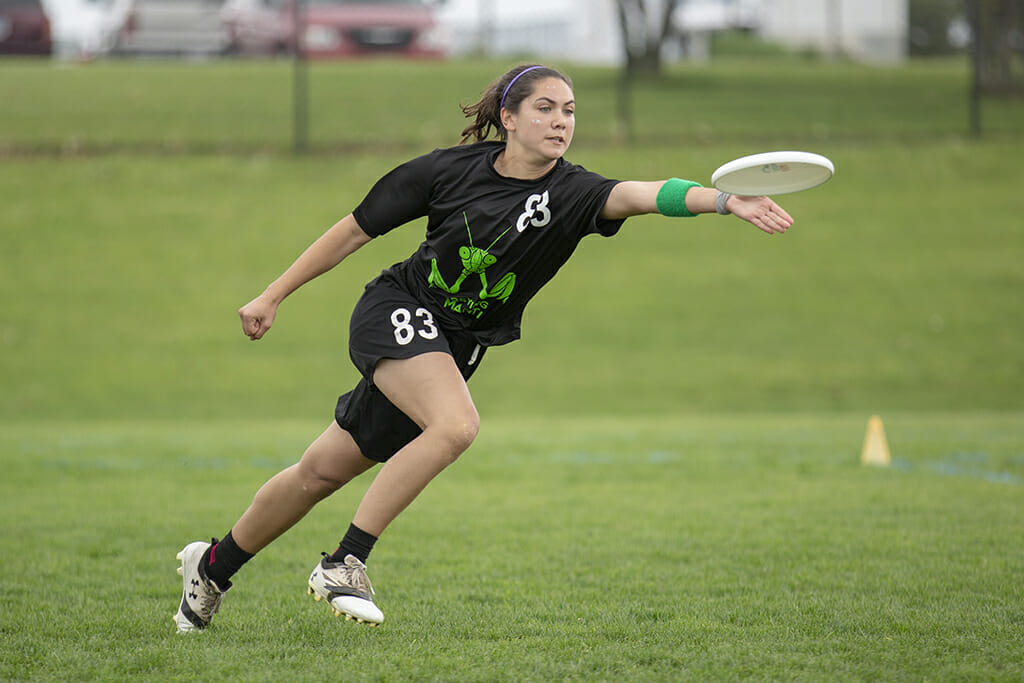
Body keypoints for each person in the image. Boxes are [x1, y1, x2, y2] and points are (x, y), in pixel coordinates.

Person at [173, 64, 793, 633]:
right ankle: (344, 563)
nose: (561, 122)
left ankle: (212, 568)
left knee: (319, 474)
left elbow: (645, 192)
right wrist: (272, 295)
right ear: (509, 118)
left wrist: (723, 201)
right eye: (546, 108)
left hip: (454, 345)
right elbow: (352, 231)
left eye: (571, 111)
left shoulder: (574, 193)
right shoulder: (445, 171)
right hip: (396, 310)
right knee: (456, 425)